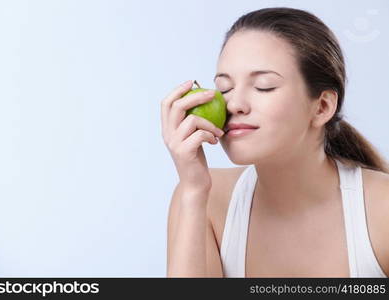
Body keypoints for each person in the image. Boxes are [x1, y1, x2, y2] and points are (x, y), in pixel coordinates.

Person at [161, 7, 389, 277]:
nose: (234, 104)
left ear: (322, 107)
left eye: (264, 86)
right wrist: (193, 191)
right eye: (225, 88)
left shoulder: (381, 209)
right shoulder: (205, 199)